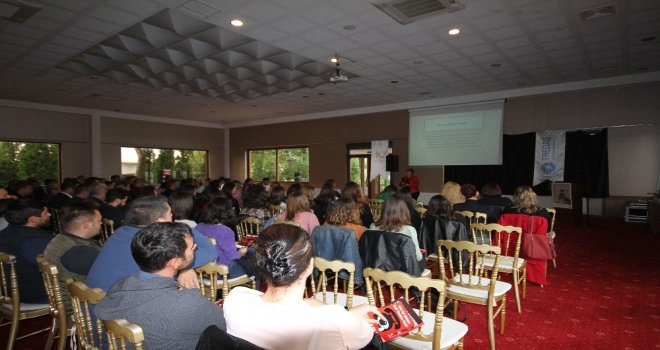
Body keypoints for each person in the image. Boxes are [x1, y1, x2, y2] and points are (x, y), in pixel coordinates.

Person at [224, 224, 380, 350]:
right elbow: (364, 334)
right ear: (310, 266)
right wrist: (348, 316)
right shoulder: (331, 322)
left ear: (259, 263)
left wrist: (344, 314)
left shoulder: (235, 300)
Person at [95, 222, 226, 349]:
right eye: (192, 248)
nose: (196, 247)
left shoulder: (120, 285)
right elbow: (228, 326)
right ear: (175, 262)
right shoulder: (185, 303)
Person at [86, 195, 217, 292]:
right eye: (171, 215)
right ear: (160, 222)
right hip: (122, 321)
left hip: (95, 312)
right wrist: (183, 227)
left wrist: (184, 268)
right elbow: (210, 251)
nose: (174, 219)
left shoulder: (120, 233)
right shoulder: (153, 244)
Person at [43, 202, 102, 314]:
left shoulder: (61, 239)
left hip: (65, 298)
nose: (101, 224)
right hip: (80, 305)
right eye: (99, 221)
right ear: (87, 225)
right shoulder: (79, 252)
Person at [0, 198, 52, 303]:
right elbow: (55, 268)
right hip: (35, 295)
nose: (50, 214)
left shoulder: (5, 233)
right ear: (33, 219)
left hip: (9, 292)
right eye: (45, 212)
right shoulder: (35, 241)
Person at [196, 197, 254, 278]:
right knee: (254, 269)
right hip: (223, 270)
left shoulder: (199, 227)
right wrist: (241, 252)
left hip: (202, 270)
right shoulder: (226, 231)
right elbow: (233, 256)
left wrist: (231, 244)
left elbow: (214, 245)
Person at [370, 196, 423, 262]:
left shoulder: (373, 226)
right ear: (405, 211)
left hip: (378, 267)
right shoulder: (409, 230)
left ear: (384, 210)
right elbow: (418, 257)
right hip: (402, 270)